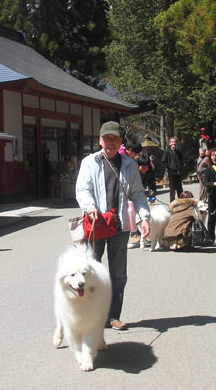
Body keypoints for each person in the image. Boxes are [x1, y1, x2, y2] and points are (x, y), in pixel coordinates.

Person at [76, 121, 151, 330]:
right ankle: (92, 315)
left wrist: (144, 218)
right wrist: (90, 207)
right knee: (90, 272)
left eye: (114, 139)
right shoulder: (89, 163)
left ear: (120, 142)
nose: (110, 142)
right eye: (106, 138)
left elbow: (137, 194)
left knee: (118, 274)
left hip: (119, 226)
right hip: (96, 225)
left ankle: (113, 316)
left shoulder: (129, 165)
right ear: (100, 140)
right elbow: (82, 189)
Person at [129, 154, 158, 248]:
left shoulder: (150, 171)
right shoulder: (132, 171)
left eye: (147, 167)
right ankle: (134, 235)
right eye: (143, 167)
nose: (145, 169)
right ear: (138, 165)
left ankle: (143, 233)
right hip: (129, 194)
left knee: (143, 213)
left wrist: (152, 195)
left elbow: (152, 184)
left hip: (140, 193)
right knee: (132, 214)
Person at [161, 136, 184, 202]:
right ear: (170, 143)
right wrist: (169, 166)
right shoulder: (167, 152)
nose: (173, 143)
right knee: (172, 189)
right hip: (171, 172)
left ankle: (181, 202)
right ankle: (172, 203)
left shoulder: (178, 152)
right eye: (172, 142)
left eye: (175, 142)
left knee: (180, 188)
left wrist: (180, 167)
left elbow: (182, 160)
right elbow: (163, 162)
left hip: (178, 171)